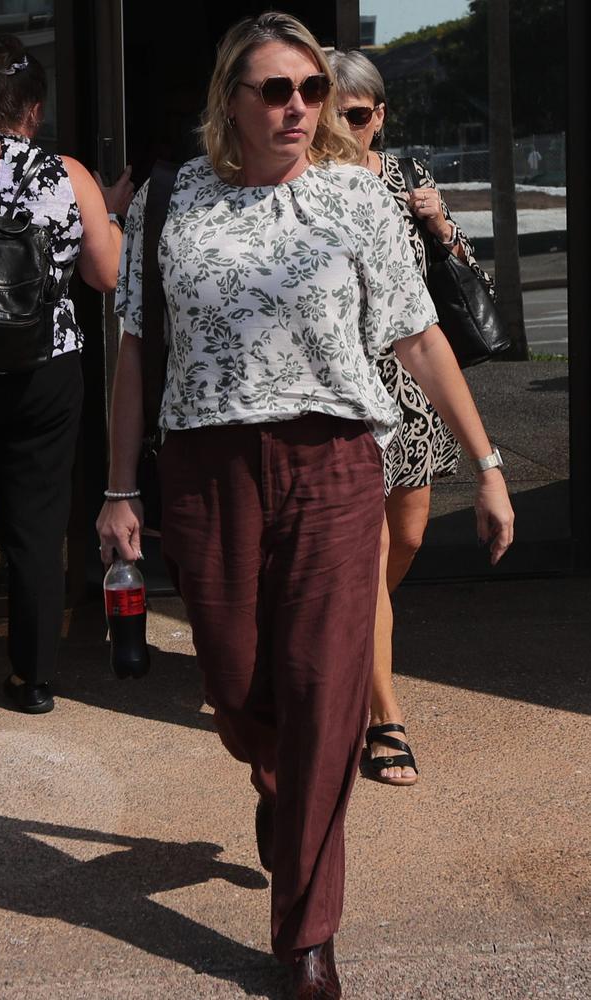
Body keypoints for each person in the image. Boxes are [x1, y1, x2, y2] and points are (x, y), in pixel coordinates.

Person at [97, 13, 513, 998]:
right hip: (205, 464)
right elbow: (133, 355)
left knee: (326, 691)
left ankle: (305, 934)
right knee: (239, 682)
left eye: (312, 91)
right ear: (229, 101)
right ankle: (279, 785)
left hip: (333, 461)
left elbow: (416, 337)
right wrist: (117, 489)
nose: (297, 108)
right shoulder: (169, 201)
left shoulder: (353, 200)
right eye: (275, 90)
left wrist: (487, 461)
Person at [0, 34, 133, 728]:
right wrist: (108, 210)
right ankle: (32, 680)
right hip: (44, 373)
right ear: (34, 108)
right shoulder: (69, 174)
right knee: (36, 530)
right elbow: (106, 277)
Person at [328, 48, 498, 786]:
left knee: (410, 535)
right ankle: (384, 717)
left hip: (416, 388)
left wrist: (441, 229)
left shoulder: (407, 179)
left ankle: (339, 636)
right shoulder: (312, 185)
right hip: (351, 390)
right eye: (335, 112)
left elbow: (469, 282)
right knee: (363, 560)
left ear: (381, 116)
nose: (346, 127)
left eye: (358, 115)